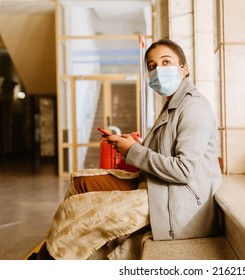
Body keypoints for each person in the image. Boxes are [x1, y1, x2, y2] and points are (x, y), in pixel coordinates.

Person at [30, 38, 222, 260]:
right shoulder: (172, 105)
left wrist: (133, 150)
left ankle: (44, 261)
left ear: (184, 68)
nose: (159, 70)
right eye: (152, 66)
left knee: (75, 212)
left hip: (179, 199)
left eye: (166, 62)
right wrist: (135, 145)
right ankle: (62, 254)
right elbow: (165, 152)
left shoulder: (193, 106)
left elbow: (184, 170)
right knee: (79, 182)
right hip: (158, 185)